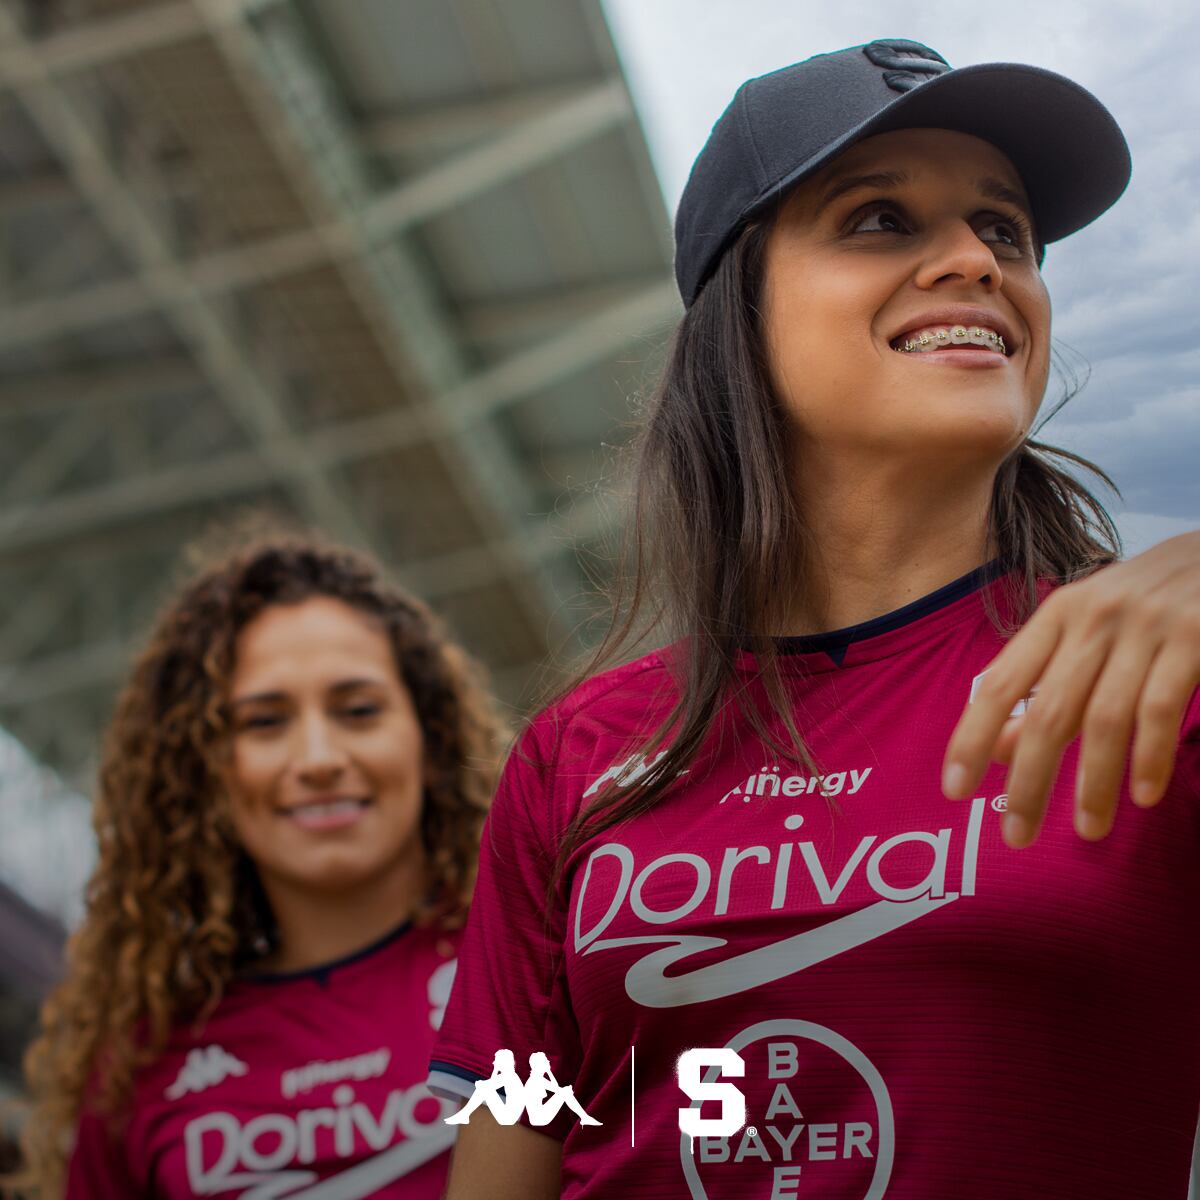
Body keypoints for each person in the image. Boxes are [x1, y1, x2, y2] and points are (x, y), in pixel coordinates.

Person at [429, 38, 1200, 1200]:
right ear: (741, 310)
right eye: (882, 219)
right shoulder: (572, 761)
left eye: (1005, 232)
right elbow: (525, 1128)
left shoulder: (1158, 684)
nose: (976, 263)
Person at [15, 531, 503, 1198]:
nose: (319, 757)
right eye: (264, 722)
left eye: (358, 710)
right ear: (204, 771)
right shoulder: (141, 1068)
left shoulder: (536, 961)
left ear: (431, 736)